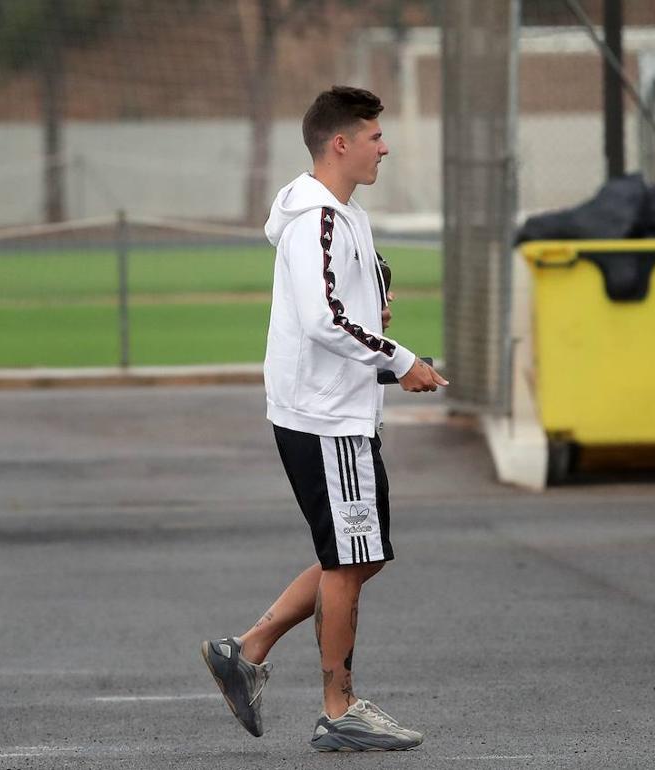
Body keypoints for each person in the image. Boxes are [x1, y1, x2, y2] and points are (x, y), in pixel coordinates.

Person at [201, 85, 448, 752]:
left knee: (358, 554)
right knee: (348, 559)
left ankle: (246, 650)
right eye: (373, 135)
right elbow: (324, 319)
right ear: (341, 143)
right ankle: (338, 708)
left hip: (328, 409)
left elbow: (343, 301)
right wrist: (401, 359)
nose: (384, 146)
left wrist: (378, 304)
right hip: (326, 415)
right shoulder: (320, 219)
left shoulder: (340, 213)